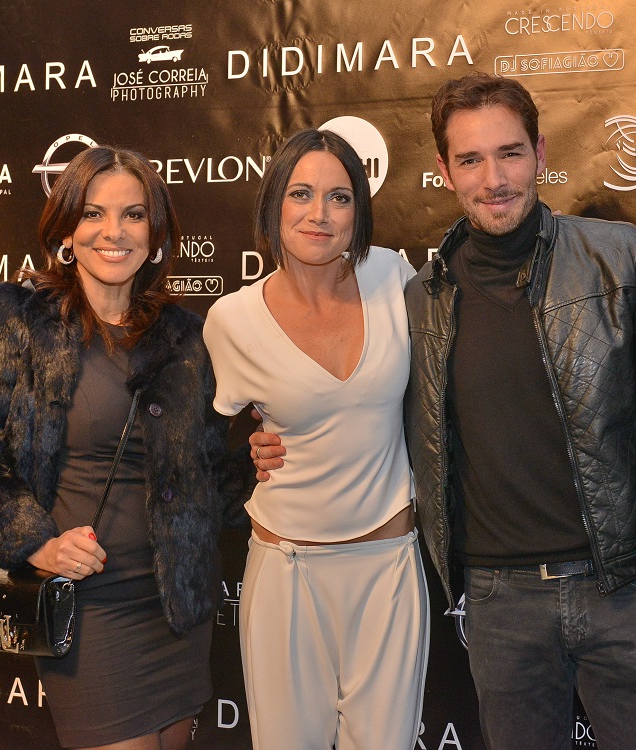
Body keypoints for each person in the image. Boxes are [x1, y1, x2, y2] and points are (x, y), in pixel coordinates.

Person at [254, 75, 636, 750]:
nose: (494, 179)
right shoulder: (421, 299)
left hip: (626, 593)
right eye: (470, 160)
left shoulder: (618, 259)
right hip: (501, 609)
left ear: (539, 153)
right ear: (444, 172)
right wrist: (278, 441)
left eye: (509, 154)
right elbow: (359, 410)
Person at [0, 146, 253, 750]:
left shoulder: (186, 337)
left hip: (175, 608)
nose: (114, 231)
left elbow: (202, 476)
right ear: (66, 230)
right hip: (88, 611)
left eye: (133, 214)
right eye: (94, 213)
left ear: (155, 234)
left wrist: (258, 465)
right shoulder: (17, 320)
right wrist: (38, 544)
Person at [202, 128, 429, 750]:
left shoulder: (394, 278)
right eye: (301, 193)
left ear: (359, 212)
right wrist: (250, 448)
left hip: (387, 566)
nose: (319, 213)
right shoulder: (232, 320)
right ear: (274, 204)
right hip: (286, 573)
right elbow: (206, 440)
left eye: (340, 197)